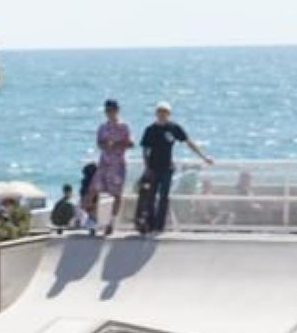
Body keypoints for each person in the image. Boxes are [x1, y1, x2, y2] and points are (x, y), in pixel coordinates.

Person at [134, 102, 212, 235]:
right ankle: (150, 224)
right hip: (153, 167)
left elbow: (188, 142)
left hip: (167, 167)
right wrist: (147, 167)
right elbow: (145, 150)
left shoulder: (173, 128)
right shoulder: (150, 130)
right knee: (151, 196)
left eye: (165, 112)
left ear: (168, 114)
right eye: (160, 112)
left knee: (164, 196)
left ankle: (160, 226)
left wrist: (203, 157)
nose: (162, 115)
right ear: (156, 113)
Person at [89, 100, 133, 234]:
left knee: (116, 194)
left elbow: (130, 143)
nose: (109, 113)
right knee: (94, 191)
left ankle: (111, 222)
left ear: (117, 110)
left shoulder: (124, 126)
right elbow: (99, 143)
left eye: (112, 110)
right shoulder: (102, 127)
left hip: (118, 163)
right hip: (104, 163)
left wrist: (117, 145)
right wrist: (105, 145)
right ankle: (93, 221)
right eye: (107, 111)